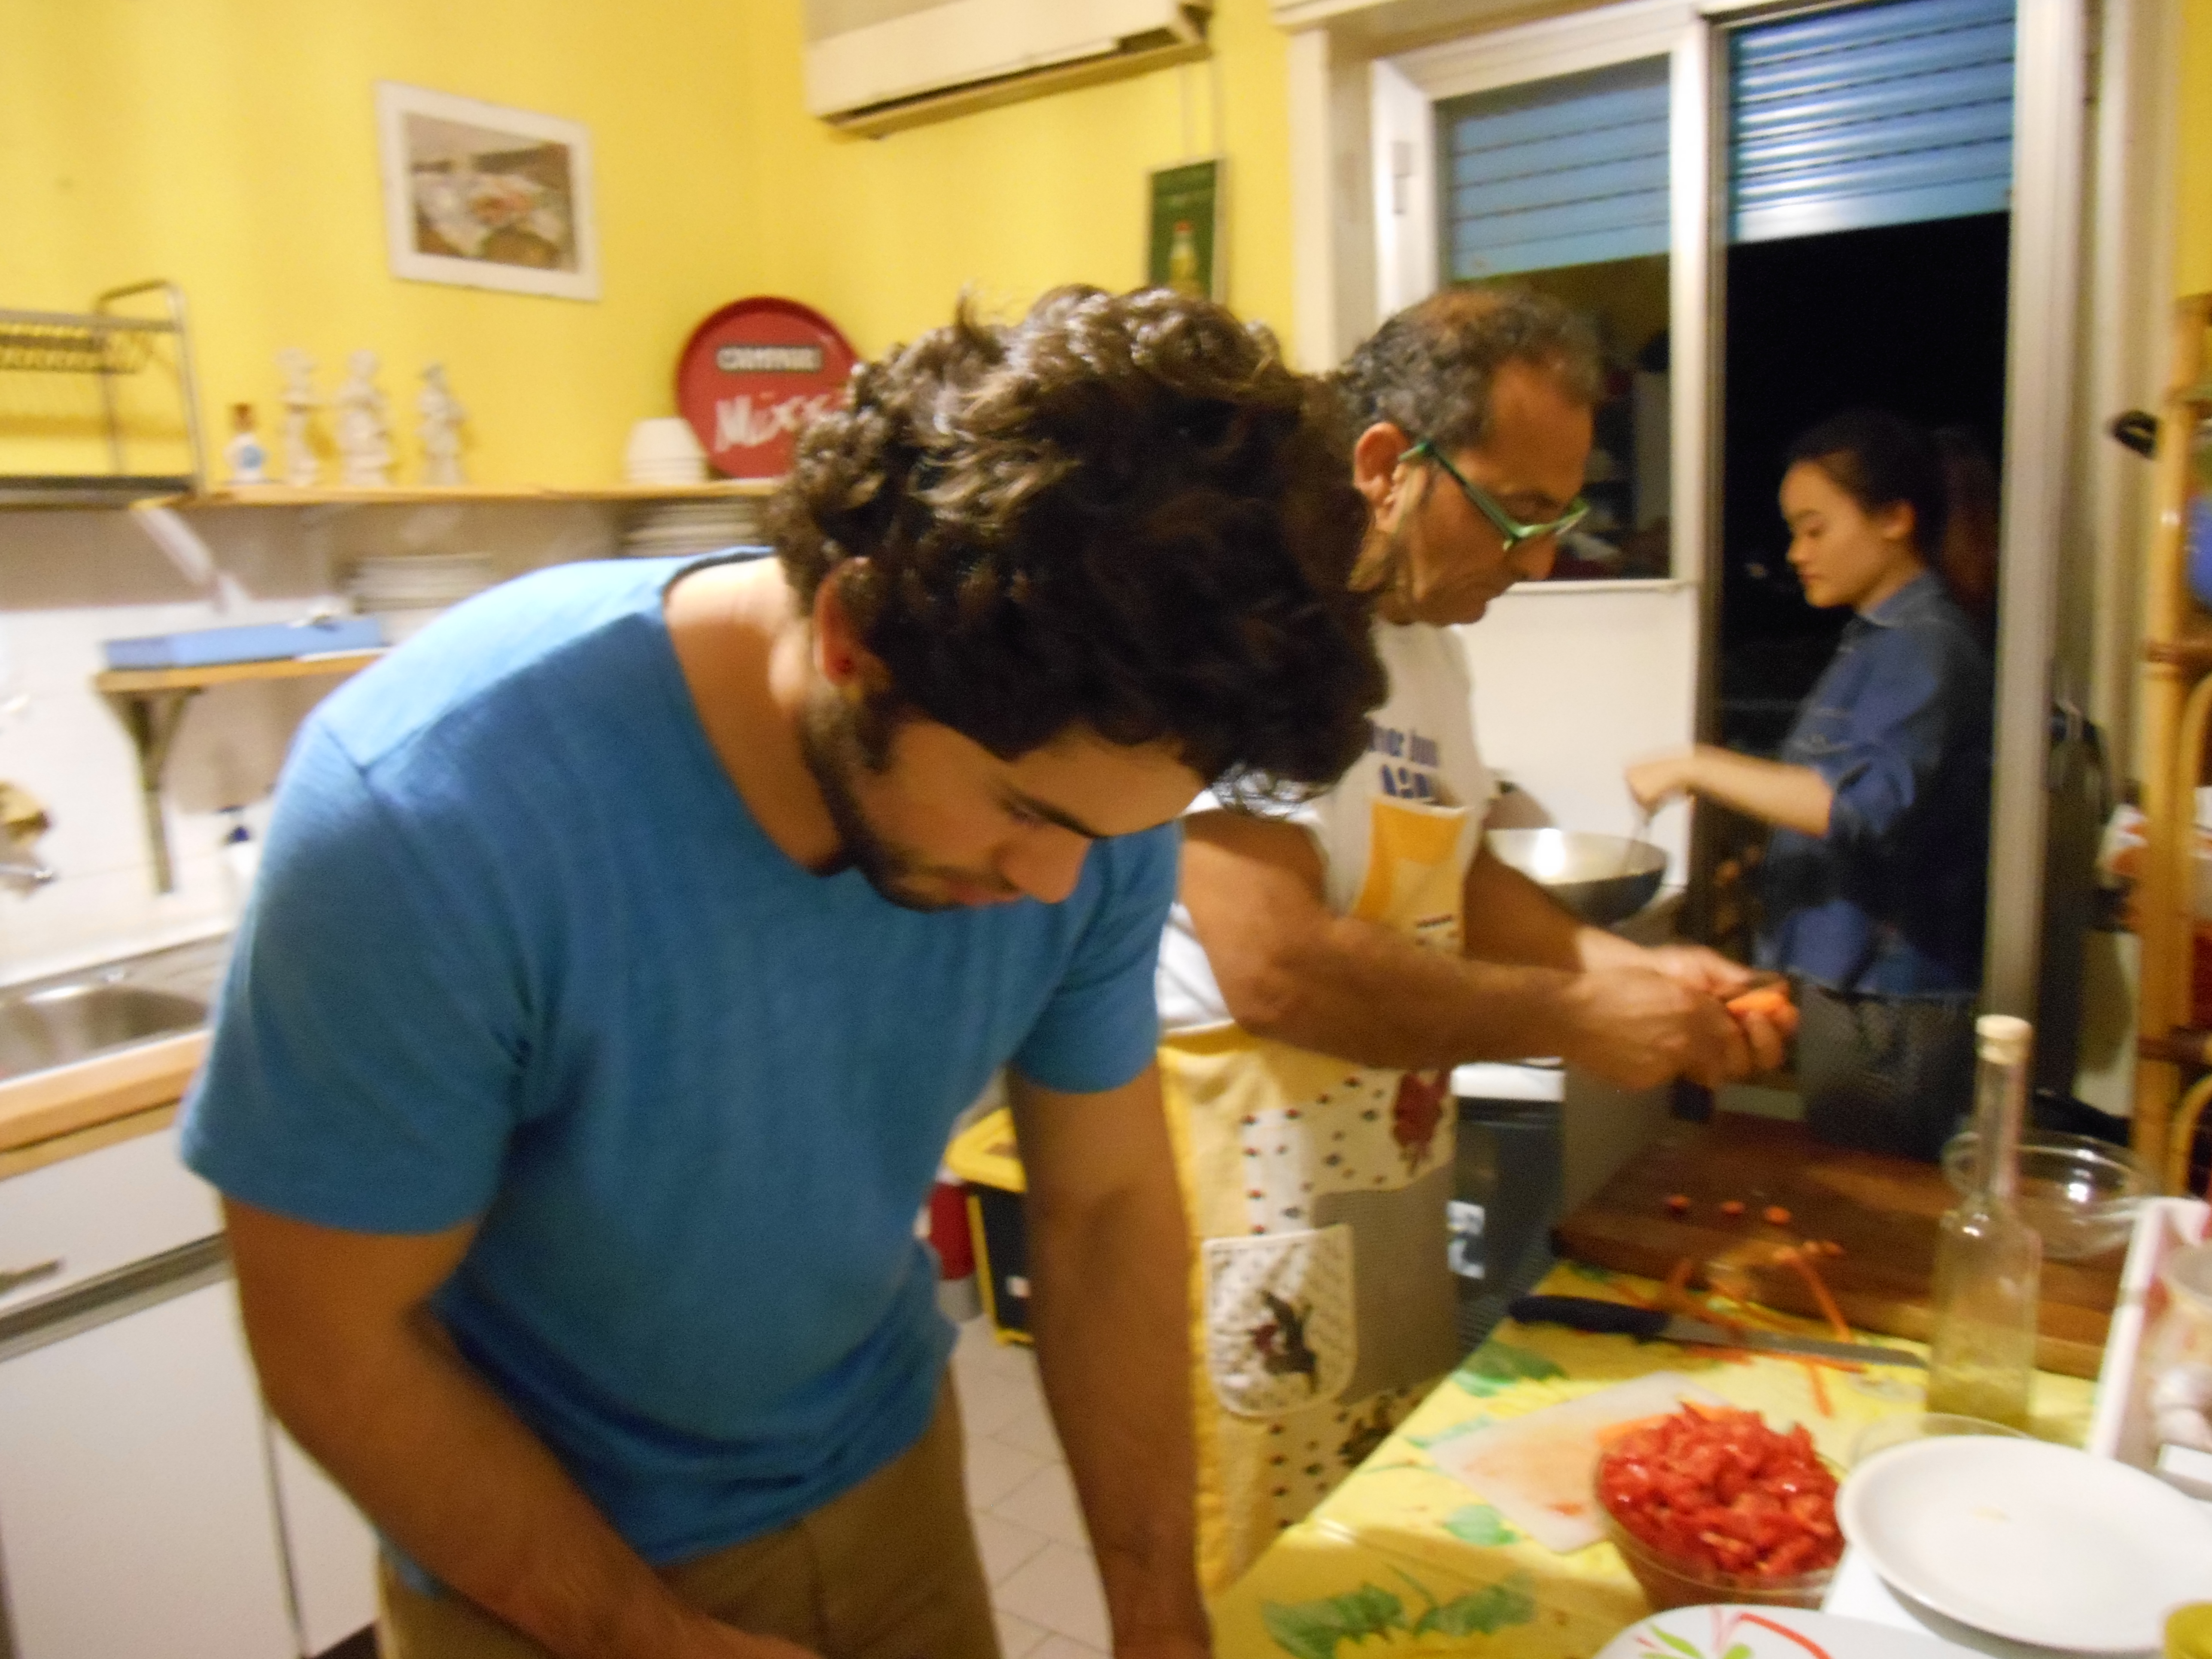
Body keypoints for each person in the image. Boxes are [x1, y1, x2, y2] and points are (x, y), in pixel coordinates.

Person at [180, 287, 1395, 1659]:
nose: (1057, 884)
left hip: (889, 1480)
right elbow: (333, 1343)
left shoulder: (1098, 796)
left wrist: (1157, 1608)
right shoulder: (427, 814)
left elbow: (1104, 1208)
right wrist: (648, 1637)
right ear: (851, 641)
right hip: (538, 1560)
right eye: (1020, 813)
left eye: (1108, 836)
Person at [1153, 286, 1785, 1593]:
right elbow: (1272, 962)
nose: (1538, 562)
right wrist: (1568, 1020)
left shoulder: (1428, 641)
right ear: (1386, 464)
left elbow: (1461, 867)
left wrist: (1630, 972)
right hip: (1250, 1174)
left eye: (1561, 522)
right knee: (1263, 1565)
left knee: (1376, 1525)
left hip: (1381, 1157)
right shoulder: (1260, 626)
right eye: (1515, 516)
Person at [1627, 408, 1993, 1160]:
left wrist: (1697, 763)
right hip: (1852, 985)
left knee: (1872, 1196)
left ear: (1895, 519)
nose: (1797, 553)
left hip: (1888, 1000)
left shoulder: (1925, 646)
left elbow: (1860, 808)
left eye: (1816, 529)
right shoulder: (1875, 640)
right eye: (1794, 531)